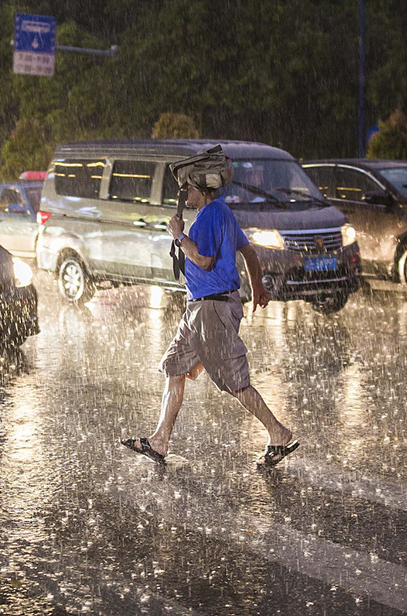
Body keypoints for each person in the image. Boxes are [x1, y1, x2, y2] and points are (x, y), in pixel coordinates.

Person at [120, 177, 299, 467]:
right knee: (175, 367)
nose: (184, 195)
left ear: (202, 190)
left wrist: (179, 236)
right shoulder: (220, 213)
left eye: (187, 189)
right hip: (199, 309)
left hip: (211, 309)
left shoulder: (212, 214)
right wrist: (257, 289)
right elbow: (249, 253)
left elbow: (205, 260)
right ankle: (160, 441)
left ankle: (277, 432)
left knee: (235, 381)